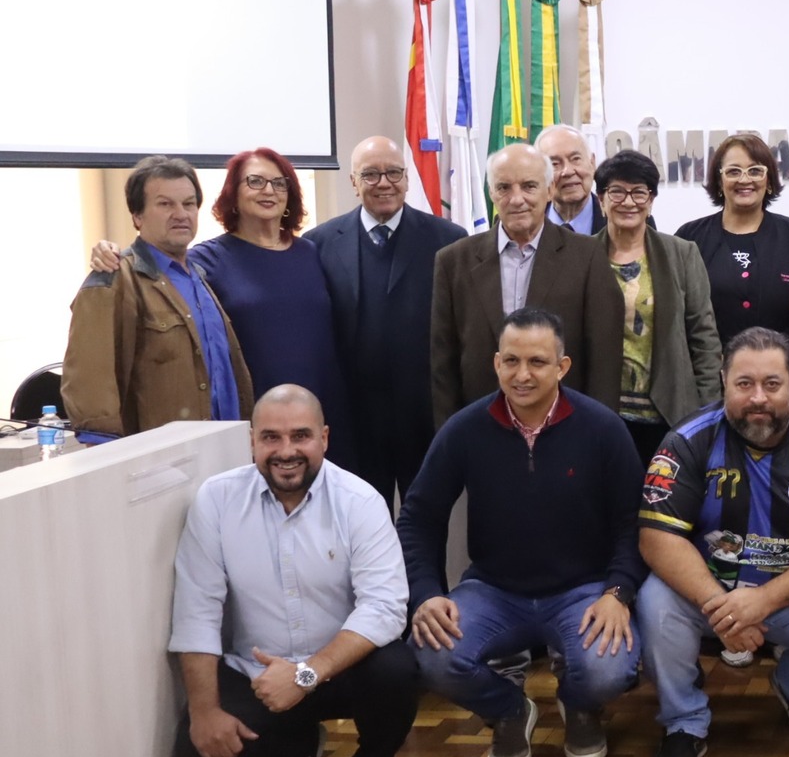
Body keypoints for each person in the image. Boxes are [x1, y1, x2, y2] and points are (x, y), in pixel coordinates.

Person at [400, 309, 644, 757]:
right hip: (493, 590)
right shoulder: (465, 429)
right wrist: (427, 595)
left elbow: (634, 524)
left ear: (562, 367)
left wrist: (619, 592)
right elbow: (418, 518)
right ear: (496, 364)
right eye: (511, 361)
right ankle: (510, 710)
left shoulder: (603, 429)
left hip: (583, 590)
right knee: (432, 656)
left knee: (609, 669)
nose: (523, 374)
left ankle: (580, 704)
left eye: (537, 362)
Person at [168, 385, 415, 757]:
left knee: (397, 669)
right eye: (271, 438)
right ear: (252, 441)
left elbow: (384, 608)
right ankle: (296, 750)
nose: (286, 451)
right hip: (259, 677)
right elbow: (196, 611)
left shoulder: (360, 502)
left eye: (300, 436)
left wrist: (305, 675)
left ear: (324, 438)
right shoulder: (216, 501)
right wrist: (204, 710)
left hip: (342, 669)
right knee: (194, 752)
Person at [636, 327, 789, 757]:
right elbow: (656, 538)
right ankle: (684, 721)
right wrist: (723, 610)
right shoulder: (686, 440)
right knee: (654, 603)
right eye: (744, 384)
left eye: (771, 384)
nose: (758, 397)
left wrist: (761, 602)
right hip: (708, 590)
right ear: (723, 380)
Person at [81, 149, 345, 450]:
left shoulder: (309, 252)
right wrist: (107, 252)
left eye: (188, 204)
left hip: (291, 418)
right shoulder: (199, 261)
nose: (269, 190)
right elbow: (95, 378)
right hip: (199, 441)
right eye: (255, 181)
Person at [307, 136, 467, 509]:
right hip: (354, 419)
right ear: (352, 181)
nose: (384, 183)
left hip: (425, 416)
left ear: (407, 179)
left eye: (393, 173)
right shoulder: (319, 244)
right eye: (371, 174)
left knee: (425, 522)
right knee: (360, 522)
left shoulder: (450, 241)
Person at [429, 143, 621, 425]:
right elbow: (443, 366)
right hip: (481, 430)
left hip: (564, 430)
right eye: (504, 187)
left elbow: (604, 361)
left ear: (549, 190)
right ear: (492, 193)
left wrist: (596, 436)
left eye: (529, 186)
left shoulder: (587, 257)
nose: (516, 199)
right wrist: (451, 438)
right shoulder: (453, 262)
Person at [63, 155, 254, 436]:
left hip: (225, 451)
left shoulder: (200, 278)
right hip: (160, 465)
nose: (181, 214)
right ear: (137, 216)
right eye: (165, 204)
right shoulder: (114, 279)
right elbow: (90, 388)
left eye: (189, 204)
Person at [593, 150, 722, 464]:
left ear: (651, 200)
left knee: (667, 505)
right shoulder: (583, 256)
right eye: (617, 191)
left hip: (671, 412)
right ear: (601, 200)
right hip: (604, 414)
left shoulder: (682, 254)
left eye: (639, 192)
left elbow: (704, 338)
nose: (628, 201)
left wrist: (706, 413)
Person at [675, 133, 789, 370]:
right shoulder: (689, 238)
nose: (745, 179)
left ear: (769, 180)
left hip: (784, 377)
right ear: (719, 181)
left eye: (755, 171)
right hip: (710, 379)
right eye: (733, 171)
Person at [536, 124, 605, 235]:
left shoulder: (615, 221)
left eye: (575, 159)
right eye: (555, 164)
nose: (567, 171)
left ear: (592, 163)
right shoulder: (524, 223)